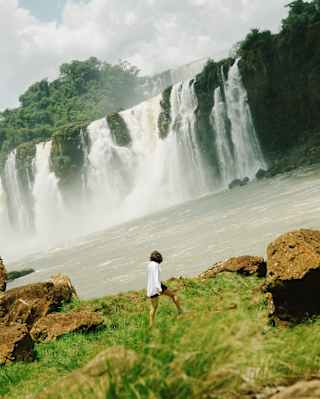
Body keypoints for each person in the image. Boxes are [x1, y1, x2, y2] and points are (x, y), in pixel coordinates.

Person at [147, 250, 182, 327]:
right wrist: (159, 289)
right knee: (173, 295)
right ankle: (180, 311)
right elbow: (156, 278)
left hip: (150, 288)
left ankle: (151, 325)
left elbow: (152, 278)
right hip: (157, 286)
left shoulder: (149, 265)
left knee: (153, 307)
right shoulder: (156, 265)